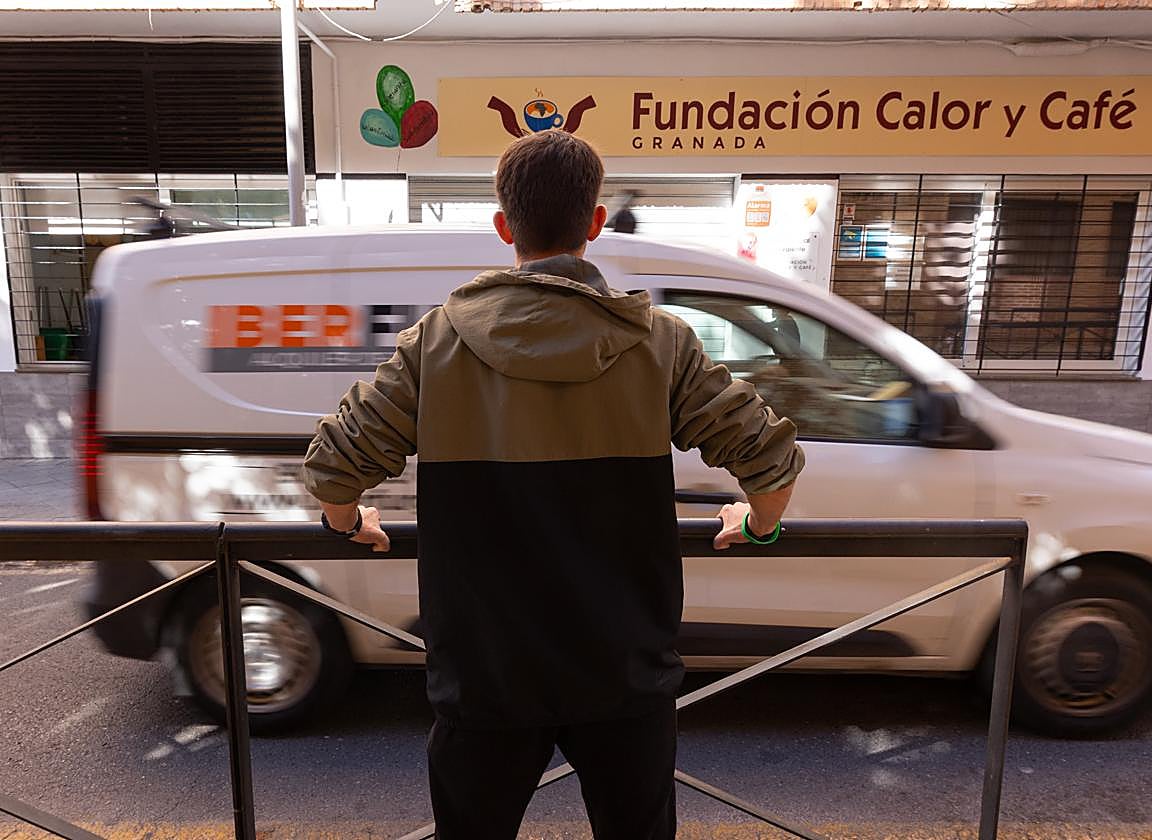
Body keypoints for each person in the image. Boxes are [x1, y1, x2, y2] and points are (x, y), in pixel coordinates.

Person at [301, 130, 803, 840]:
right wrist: (757, 525)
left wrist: (352, 524)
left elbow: (332, 469)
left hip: (485, 677)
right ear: (595, 224)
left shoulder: (433, 346)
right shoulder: (662, 343)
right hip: (623, 675)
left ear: (504, 227)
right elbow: (772, 464)